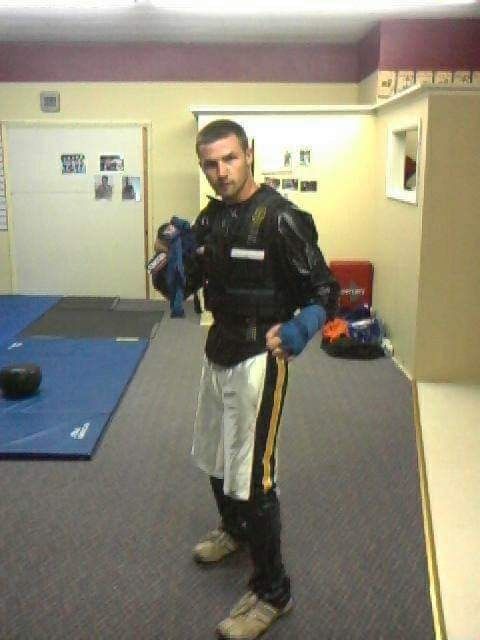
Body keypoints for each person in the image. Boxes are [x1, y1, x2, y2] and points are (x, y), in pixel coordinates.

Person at [161, 119, 338, 639]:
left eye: (230, 159)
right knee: (215, 454)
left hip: (261, 357)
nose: (221, 172)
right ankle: (234, 529)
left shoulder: (282, 218)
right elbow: (186, 283)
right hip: (218, 348)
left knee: (255, 476)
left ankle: (273, 593)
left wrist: (302, 327)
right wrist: (170, 259)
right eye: (210, 164)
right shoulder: (211, 218)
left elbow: (324, 290)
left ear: (249, 154)